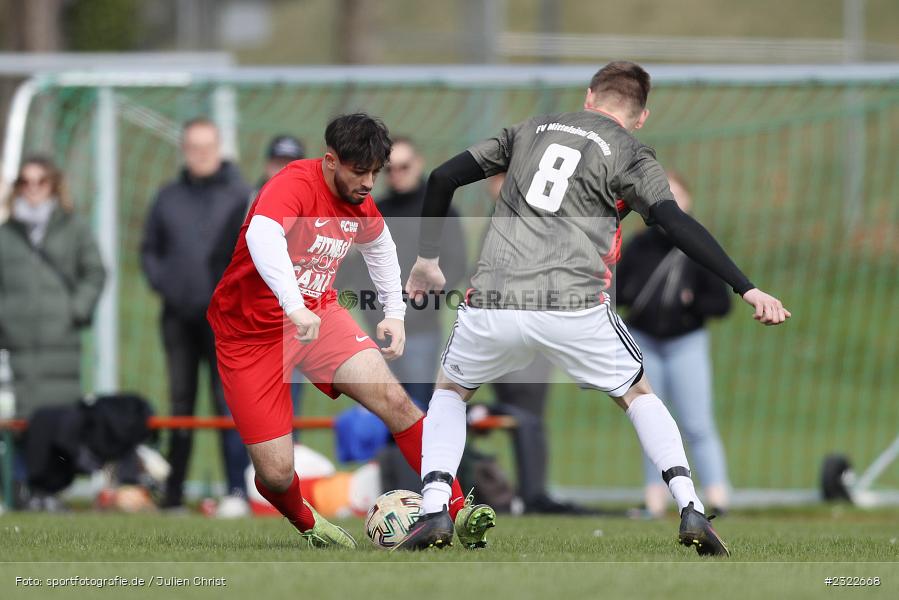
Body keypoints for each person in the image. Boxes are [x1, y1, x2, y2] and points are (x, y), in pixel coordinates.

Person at [400, 61, 790, 555]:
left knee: (451, 392)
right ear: (641, 116)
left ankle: (435, 507)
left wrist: (426, 260)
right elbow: (674, 222)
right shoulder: (631, 152)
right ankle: (691, 505)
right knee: (637, 394)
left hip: (495, 299)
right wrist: (746, 287)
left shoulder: (528, 130)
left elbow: (442, 177)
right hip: (573, 304)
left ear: (589, 97)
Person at [206, 113, 496, 549]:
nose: (368, 183)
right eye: (359, 172)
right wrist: (292, 305)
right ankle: (309, 523)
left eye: (375, 173)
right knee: (275, 472)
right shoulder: (293, 184)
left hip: (319, 316)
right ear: (330, 161)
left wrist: (393, 313)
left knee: (397, 401)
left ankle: (456, 508)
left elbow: (379, 245)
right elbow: (262, 237)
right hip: (249, 336)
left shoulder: (359, 198)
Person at [140, 118, 251, 516]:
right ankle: (173, 495)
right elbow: (149, 251)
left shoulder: (240, 195)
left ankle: (236, 491)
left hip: (225, 320)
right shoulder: (167, 197)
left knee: (229, 403)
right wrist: (168, 285)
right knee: (180, 404)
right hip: (178, 318)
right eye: (193, 146)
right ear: (184, 149)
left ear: (219, 148)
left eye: (208, 146)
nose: (201, 154)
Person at [616, 171, 732, 517]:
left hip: (686, 343)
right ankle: (655, 499)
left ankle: (717, 496)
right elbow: (617, 290)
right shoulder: (638, 246)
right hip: (645, 341)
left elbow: (720, 304)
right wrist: (636, 296)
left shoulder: (698, 245)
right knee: (651, 419)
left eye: (676, 195)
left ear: (688, 201)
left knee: (697, 423)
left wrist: (689, 302)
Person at [0, 156, 106, 509]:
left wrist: (75, 311)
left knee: (56, 420)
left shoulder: (73, 227)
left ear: (54, 185)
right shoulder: (6, 234)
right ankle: (20, 489)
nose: (33, 189)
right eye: (25, 182)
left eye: (40, 181)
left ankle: (48, 491)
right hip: (16, 345)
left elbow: (95, 272)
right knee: (21, 420)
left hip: (60, 344)